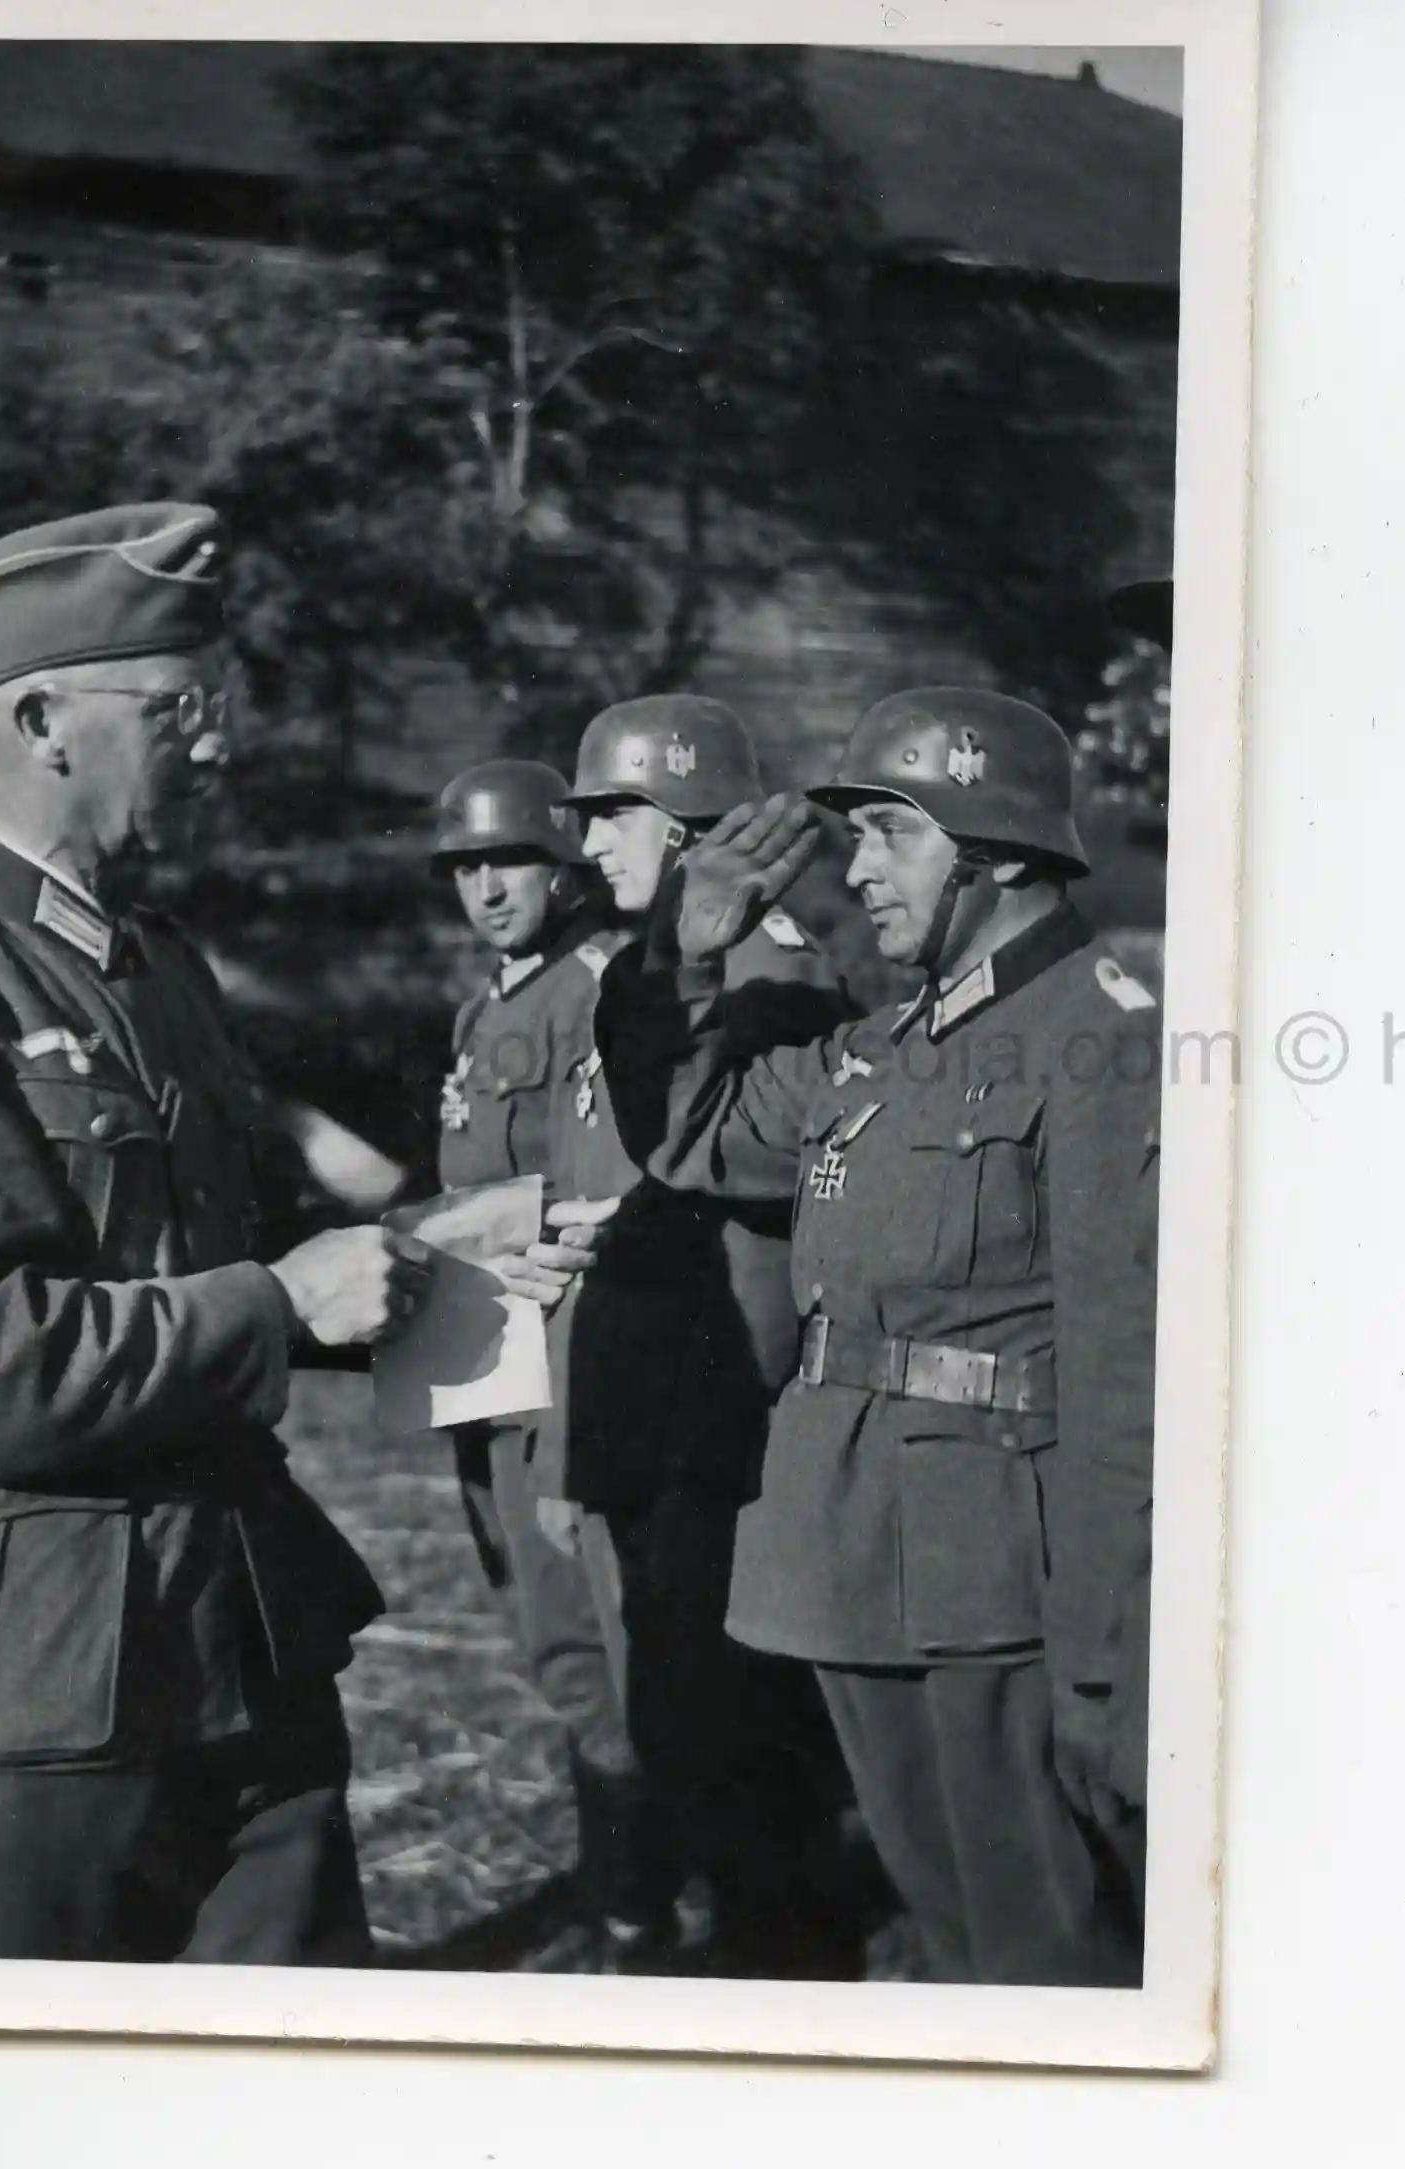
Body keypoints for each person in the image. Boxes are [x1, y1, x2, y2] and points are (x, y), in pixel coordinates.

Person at [0, 503, 608, 1962]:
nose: (217, 744)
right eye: (178, 709)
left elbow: (221, 1241)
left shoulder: (152, 967)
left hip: (245, 1648)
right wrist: (285, 1301)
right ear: (42, 719)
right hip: (45, 1697)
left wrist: (432, 1256)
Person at [602, 686, 1157, 1987]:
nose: (856, 870)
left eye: (887, 837)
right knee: (958, 1935)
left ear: (998, 853)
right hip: (851, 1564)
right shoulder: (882, 1046)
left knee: (1046, 1955)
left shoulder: (1104, 1038)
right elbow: (691, 1135)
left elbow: (1129, 1377)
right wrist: (686, 948)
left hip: (1007, 1593)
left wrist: (1101, 1669)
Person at [545, 694, 858, 1971]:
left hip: (727, 1412)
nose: (590, 846)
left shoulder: (771, 967)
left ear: (688, 831)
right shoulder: (666, 961)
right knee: (682, 1722)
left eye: (616, 816)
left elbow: (710, 1154)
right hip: (669, 1402)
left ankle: (770, 1975)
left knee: (729, 1746)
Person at [426, 757, 668, 1959]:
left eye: (508, 861)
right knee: (546, 1639)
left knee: (594, 1644)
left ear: (564, 864)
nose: (485, 887)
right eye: (465, 867)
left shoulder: (596, 984)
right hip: (482, 1359)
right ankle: (619, 1888)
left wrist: (441, 1234)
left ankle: (639, 1906)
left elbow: (602, 1189)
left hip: (565, 1355)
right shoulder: (484, 1009)